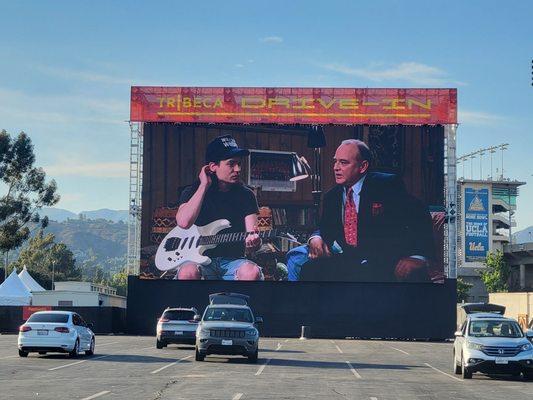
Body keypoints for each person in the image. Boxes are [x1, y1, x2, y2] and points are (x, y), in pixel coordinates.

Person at [295, 139, 435, 282]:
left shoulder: (387, 185)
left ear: (363, 166)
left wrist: (418, 257)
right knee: (309, 270)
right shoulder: (332, 196)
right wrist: (316, 237)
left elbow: (419, 218)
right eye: (335, 161)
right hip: (348, 261)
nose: (336, 167)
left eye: (343, 162)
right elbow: (324, 227)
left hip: (383, 262)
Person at [174, 134, 263, 280]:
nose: (238, 169)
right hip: (198, 261)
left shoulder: (246, 195)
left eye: (239, 164)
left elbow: (252, 236)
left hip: (233, 261)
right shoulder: (191, 192)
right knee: (187, 272)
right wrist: (203, 185)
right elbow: (183, 222)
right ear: (213, 167)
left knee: (250, 272)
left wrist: (255, 242)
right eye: (231, 164)